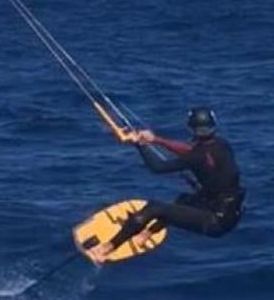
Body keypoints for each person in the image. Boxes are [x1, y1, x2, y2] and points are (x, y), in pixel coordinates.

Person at [87, 107, 245, 264]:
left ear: (191, 128)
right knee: (183, 199)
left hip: (215, 222)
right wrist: (155, 140)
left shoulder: (196, 156)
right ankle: (145, 235)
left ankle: (106, 249)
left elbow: (158, 167)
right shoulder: (221, 145)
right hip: (229, 212)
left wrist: (139, 144)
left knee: (154, 208)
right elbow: (189, 151)